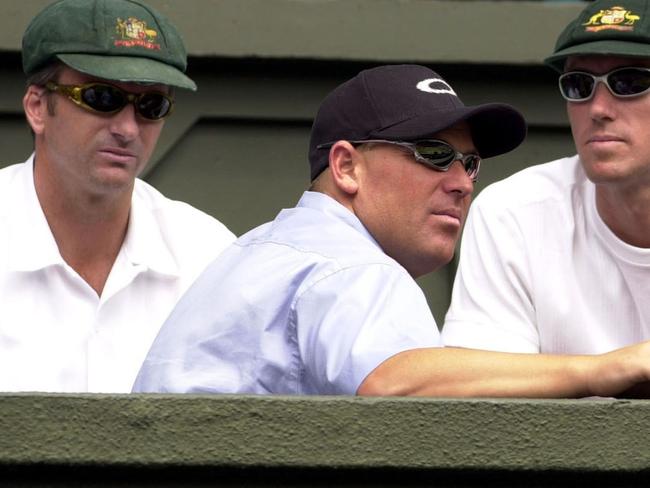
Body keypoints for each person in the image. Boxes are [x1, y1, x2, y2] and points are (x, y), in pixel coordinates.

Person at [135, 64, 650, 398]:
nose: (461, 184)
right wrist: (607, 368)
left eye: (469, 164)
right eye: (434, 154)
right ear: (346, 167)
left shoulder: (272, 249)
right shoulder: (349, 265)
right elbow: (397, 385)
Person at [0, 0, 235, 393]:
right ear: (38, 107)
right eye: (101, 97)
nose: (127, 128)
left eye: (151, 105)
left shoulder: (207, 256)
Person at [443, 0, 650, 357]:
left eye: (628, 82)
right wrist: (613, 370)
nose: (598, 109)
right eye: (578, 85)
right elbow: (485, 382)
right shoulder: (515, 212)